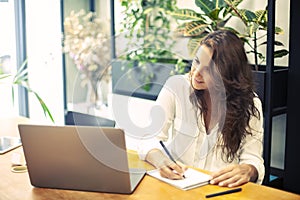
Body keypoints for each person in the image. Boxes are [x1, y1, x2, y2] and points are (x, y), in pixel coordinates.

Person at [138, 30, 264, 188]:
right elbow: (148, 137)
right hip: (178, 186)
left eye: (209, 69)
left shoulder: (250, 103)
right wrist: (160, 160)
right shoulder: (177, 87)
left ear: (227, 73)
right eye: (196, 62)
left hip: (221, 190)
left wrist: (248, 170)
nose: (196, 73)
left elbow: (253, 159)